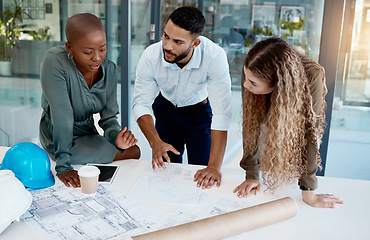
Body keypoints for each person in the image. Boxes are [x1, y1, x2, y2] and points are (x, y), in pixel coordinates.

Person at [233, 37, 344, 208]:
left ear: (278, 83)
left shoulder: (312, 75)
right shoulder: (252, 69)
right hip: (267, 129)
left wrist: (309, 192)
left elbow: (310, 134)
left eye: (253, 83)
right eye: (246, 78)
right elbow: (251, 123)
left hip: (291, 131)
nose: (246, 85)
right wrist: (252, 175)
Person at [132, 6, 233, 189]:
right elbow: (141, 103)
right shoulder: (151, 56)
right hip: (166, 112)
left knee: (203, 172)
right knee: (167, 174)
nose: (167, 46)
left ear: (195, 43)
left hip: (199, 114)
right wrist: (155, 142)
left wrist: (214, 167)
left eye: (178, 42)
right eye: (165, 36)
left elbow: (222, 113)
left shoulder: (214, 57)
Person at [39, 13, 140, 188]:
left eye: (103, 49)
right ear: (69, 47)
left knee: (134, 151)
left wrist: (117, 138)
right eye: (88, 51)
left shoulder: (109, 69)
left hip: (86, 132)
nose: (97, 58)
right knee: (126, 154)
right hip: (57, 134)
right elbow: (62, 116)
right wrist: (63, 167)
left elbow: (108, 119)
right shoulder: (54, 61)